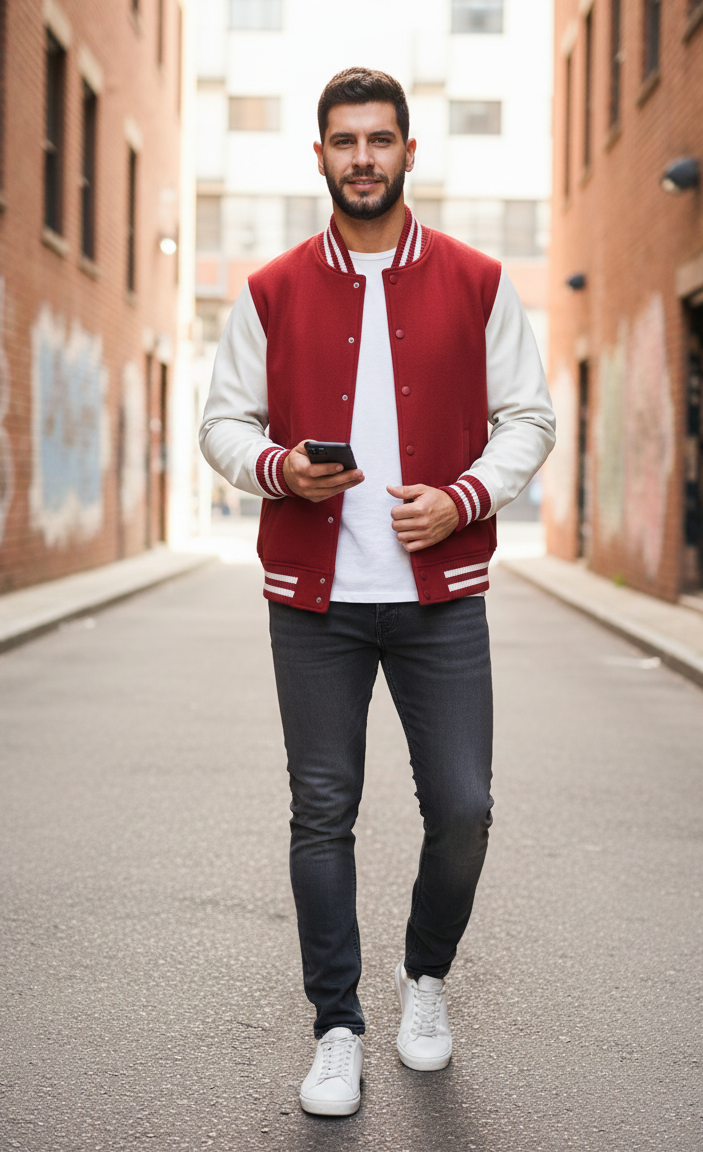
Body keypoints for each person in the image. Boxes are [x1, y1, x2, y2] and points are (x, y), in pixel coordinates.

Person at [200, 66, 555, 1117]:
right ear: (319, 156)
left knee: (462, 808)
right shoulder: (268, 291)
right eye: (343, 141)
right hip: (311, 601)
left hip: (438, 594)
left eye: (379, 140)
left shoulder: (477, 281)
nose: (362, 157)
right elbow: (222, 423)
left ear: (408, 152)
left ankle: (425, 979)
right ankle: (336, 1028)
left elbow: (527, 418)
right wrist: (278, 471)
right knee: (322, 811)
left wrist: (461, 499)